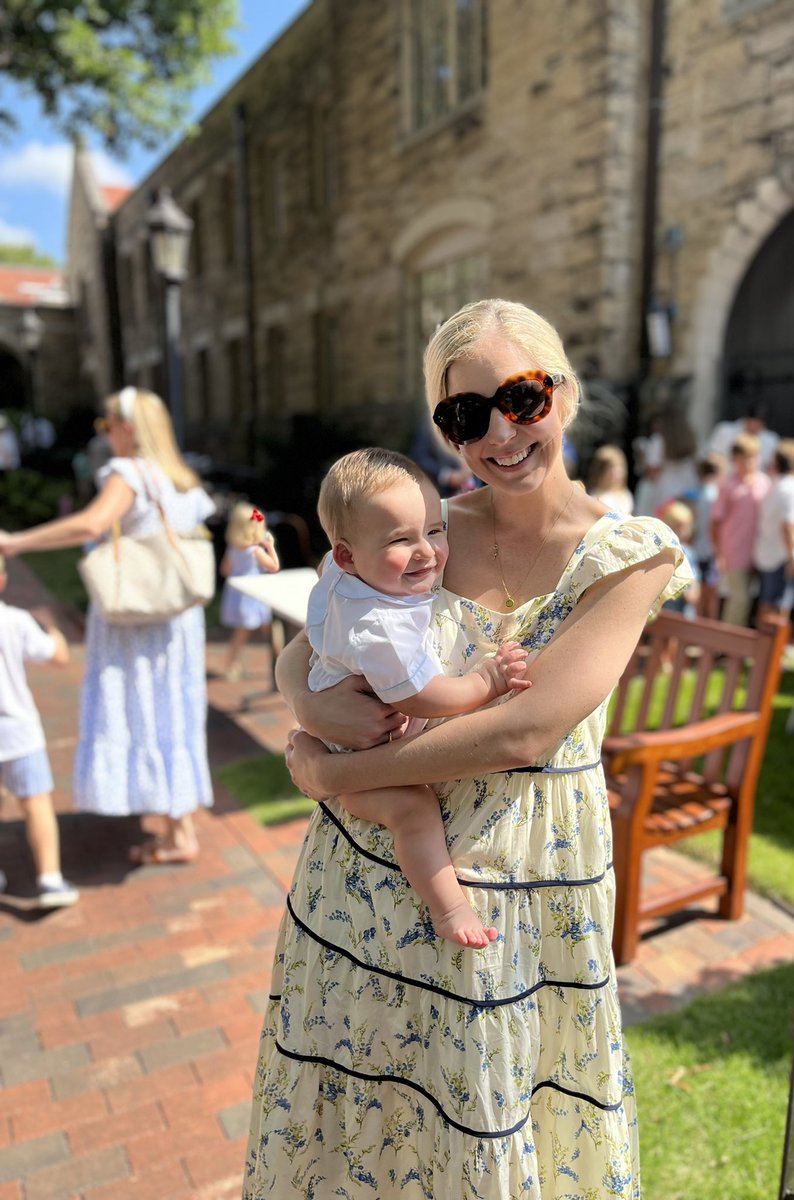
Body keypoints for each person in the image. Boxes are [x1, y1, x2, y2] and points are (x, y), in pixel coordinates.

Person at [243, 299, 691, 1198]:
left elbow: (525, 732)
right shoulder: (420, 525)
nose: (499, 432)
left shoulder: (630, 552)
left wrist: (332, 770)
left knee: (499, 1127)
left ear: (561, 392)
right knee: (366, 1129)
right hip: (364, 885)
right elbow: (306, 643)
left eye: (521, 398)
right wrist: (307, 709)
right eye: (465, 414)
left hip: (527, 889)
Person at [308, 447, 530, 947]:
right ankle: (449, 909)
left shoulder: (344, 572)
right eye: (400, 540)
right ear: (347, 555)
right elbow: (421, 696)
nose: (427, 551)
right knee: (414, 811)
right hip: (359, 750)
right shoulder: (379, 627)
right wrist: (486, 682)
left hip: (342, 726)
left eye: (434, 530)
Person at [0, 386, 217, 866]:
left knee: (142, 706)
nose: (105, 434)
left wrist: (16, 541)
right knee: (172, 710)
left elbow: (89, 525)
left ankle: (176, 830)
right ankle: (178, 828)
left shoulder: (130, 473)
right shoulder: (181, 477)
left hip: (134, 618)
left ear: (125, 428)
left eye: (106, 425)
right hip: (175, 620)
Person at [0, 557, 78, 907]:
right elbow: (58, 657)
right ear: (2, 581)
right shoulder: (15, 621)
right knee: (36, 802)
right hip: (18, 732)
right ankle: (50, 879)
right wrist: (54, 630)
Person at [710, 432, 771, 626]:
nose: (749, 463)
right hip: (734, 550)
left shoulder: (764, 482)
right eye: (744, 458)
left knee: (752, 599)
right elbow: (715, 521)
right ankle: (728, 645)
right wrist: (719, 551)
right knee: (739, 598)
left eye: (753, 457)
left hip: (759, 550)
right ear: (735, 459)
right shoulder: (728, 486)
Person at [753, 438, 794, 629]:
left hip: (768, 553)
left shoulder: (775, 485)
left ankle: (764, 649)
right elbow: (789, 525)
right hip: (781, 556)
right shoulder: (793, 489)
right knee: (779, 607)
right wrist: (792, 557)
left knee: (767, 601)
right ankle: (772, 652)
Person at [219, 501, 279, 682]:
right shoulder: (255, 551)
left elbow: (225, 570)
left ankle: (231, 663)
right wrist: (270, 547)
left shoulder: (233, 548)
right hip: (254, 595)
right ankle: (281, 662)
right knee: (269, 629)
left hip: (239, 594)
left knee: (244, 632)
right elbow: (274, 566)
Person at [684, 452, 726, 619]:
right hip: (711, 550)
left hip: (697, 548)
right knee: (709, 595)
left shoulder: (694, 494)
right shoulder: (715, 495)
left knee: (699, 594)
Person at [409, 412, 476, 496]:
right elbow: (420, 457)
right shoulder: (430, 422)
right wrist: (447, 476)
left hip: (480, 490)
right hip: (447, 494)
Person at [706, 400, 779, 471]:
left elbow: (771, 468)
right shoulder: (725, 431)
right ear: (746, 418)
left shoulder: (771, 440)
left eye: (759, 424)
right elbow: (712, 457)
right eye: (752, 422)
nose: (754, 427)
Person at [658, 500, 700, 617]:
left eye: (685, 526)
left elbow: (693, 591)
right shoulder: (663, 550)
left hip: (681, 610)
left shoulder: (688, 552)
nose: (683, 531)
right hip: (665, 607)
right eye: (678, 526)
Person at [585, 443, 634, 513]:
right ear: (600, 472)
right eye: (610, 470)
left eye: (620, 468)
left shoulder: (626, 494)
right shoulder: (595, 497)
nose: (616, 474)